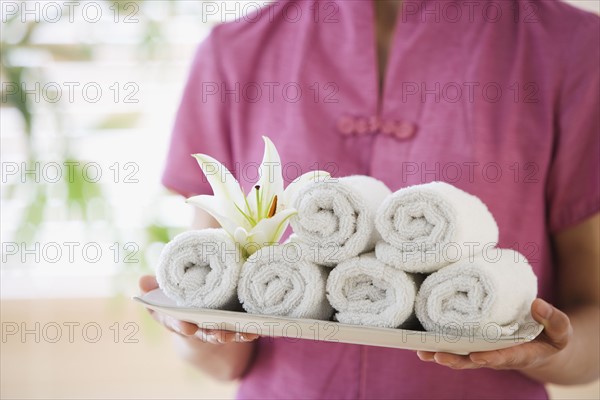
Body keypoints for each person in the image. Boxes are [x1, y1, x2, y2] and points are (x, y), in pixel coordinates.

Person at [140, 0, 600, 398]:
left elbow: (590, 322)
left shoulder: (573, 50)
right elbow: (223, 361)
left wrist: (541, 353)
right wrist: (193, 325)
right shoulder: (234, 55)